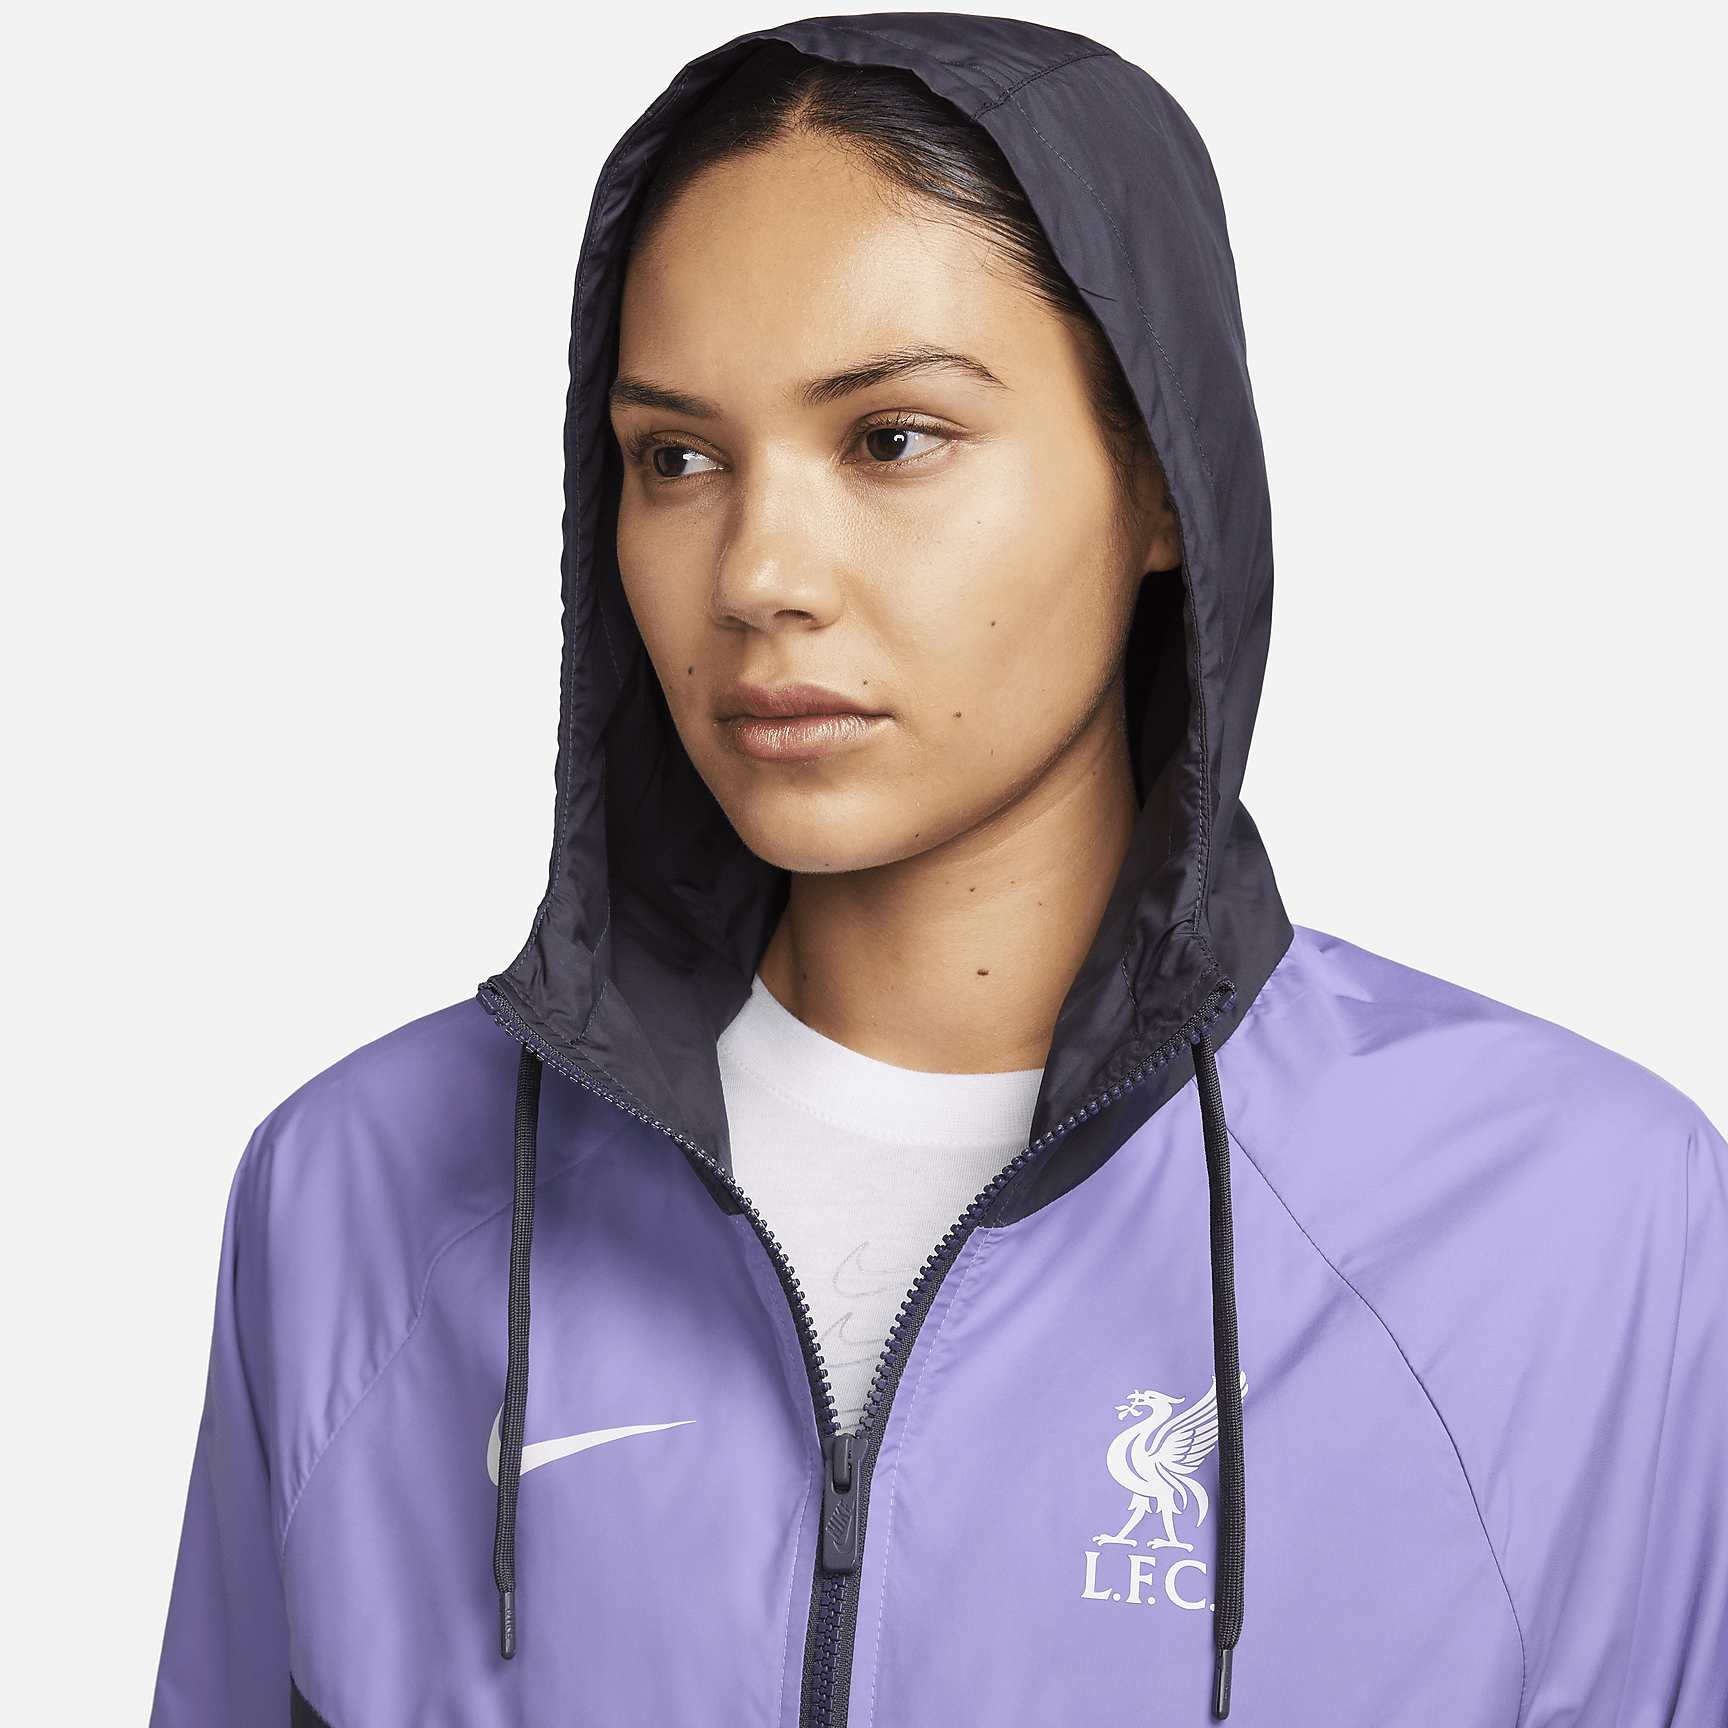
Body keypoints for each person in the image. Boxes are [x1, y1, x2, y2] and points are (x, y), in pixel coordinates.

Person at [151, 15, 1727, 1727]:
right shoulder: (362, 1198)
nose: (758, 572)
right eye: (676, 457)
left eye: (892, 439)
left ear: (1159, 479)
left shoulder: (1582, 1229)